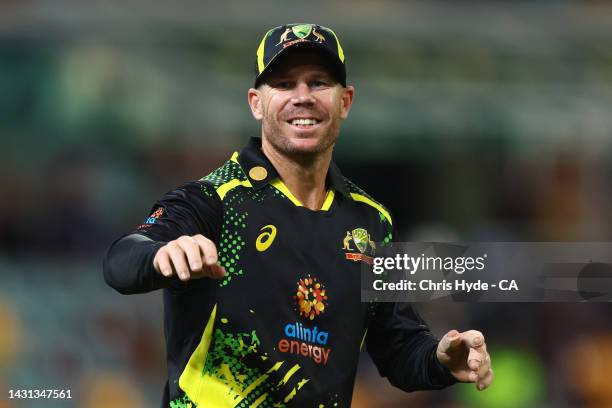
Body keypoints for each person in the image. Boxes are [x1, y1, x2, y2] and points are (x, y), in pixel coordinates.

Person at [103, 23, 493, 408]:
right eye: (285, 84)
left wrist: (440, 359)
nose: (302, 97)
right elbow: (122, 259)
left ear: (346, 101)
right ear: (256, 102)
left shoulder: (370, 222)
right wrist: (161, 254)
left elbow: (398, 347)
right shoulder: (216, 199)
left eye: (318, 83)